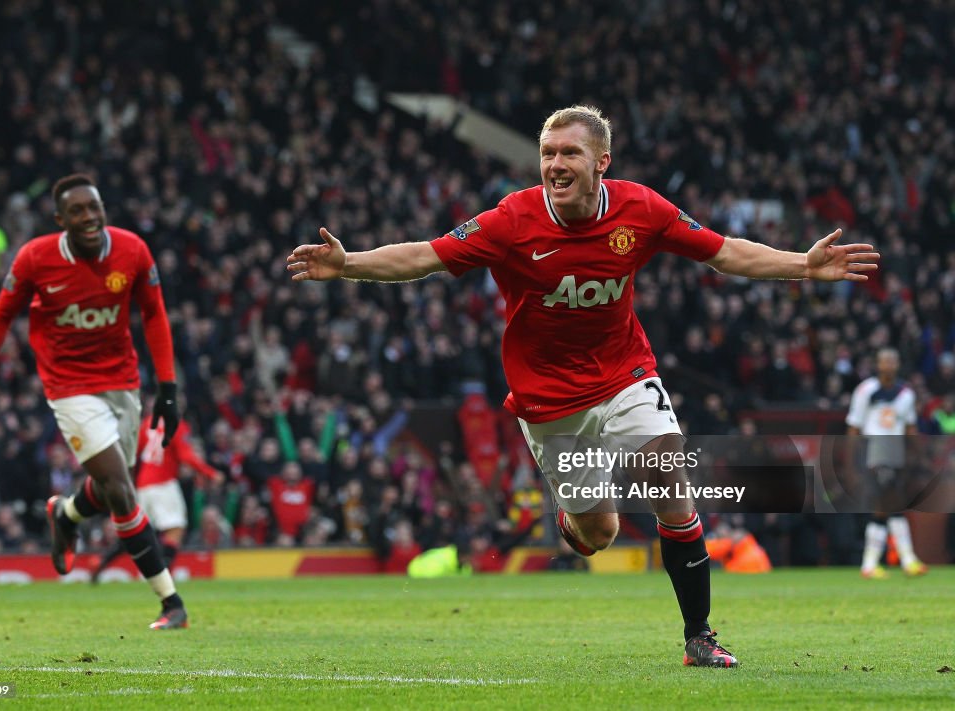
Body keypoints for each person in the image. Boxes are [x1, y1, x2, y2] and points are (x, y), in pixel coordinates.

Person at [288, 105, 880, 667]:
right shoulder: (511, 220)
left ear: (602, 162)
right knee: (599, 534)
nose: (553, 165)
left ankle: (699, 635)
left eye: (569, 152)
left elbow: (724, 253)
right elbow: (425, 255)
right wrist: (349, 264)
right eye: (547, 153)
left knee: (666, 469)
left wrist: (803, 264)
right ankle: (576, 524)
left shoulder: (641, 210)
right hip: (548, 400)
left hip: (624, 373)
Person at [0, 173, 189, 630]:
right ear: (60, 220)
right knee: (122, 491)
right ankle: (171, 602)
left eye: (94, 207)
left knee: (106, 489)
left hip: (121, 381)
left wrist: (168, 388)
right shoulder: (35, 259)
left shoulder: (132, 251)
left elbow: (154, 314)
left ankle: (64, 513)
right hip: (69, 387)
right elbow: (1, 314)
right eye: (77, 211)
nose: (89, 217)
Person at [90, 399, 224, 583]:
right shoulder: (176, 425)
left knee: (137, 531)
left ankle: (104, 560)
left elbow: (133, 452)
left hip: (144, 485)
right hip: (163, 484)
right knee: (175, 529)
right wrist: (210, 473)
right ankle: (165, 575)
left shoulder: (147, 423)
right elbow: (186, 456)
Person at [846, 347, 928, 579]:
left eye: (893, 361)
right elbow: (854, 427)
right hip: (874, 452)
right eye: (885, 362)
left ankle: (870, 564)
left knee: (885, 508)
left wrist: (917, 454)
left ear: (898, 364)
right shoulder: (866, 391)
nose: (889, 366)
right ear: (877, 364)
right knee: (891, 503)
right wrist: (852, 464)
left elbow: (910, 428)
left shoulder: (905, 394)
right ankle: (906, 559)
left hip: (896, 453)